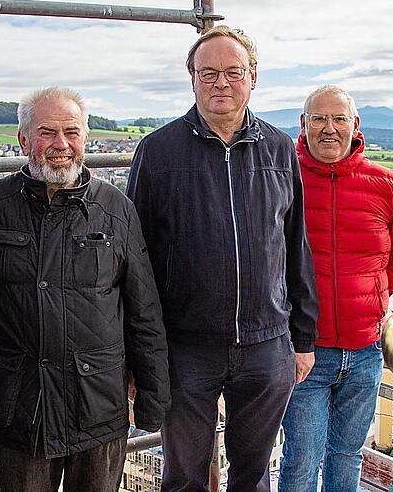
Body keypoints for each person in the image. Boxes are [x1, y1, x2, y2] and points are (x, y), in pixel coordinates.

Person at [126, 26, 319, 492]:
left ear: (253, 77)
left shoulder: (278, 150)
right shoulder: (158, 151)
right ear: (191, 78)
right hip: (186, 347)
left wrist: (304, 337)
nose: (221, 83)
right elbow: (135, 261)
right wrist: (140, 353)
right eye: (208, 73)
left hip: (266, 343)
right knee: (184, 477)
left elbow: (295, 246)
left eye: (233, 72)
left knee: (253, 477)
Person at [0, 87, 170, 492]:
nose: (61, 145)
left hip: (98, 405)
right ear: (23, 139)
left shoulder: (115, 208)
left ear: (85, 138)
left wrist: (152, 401)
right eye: (46, 132)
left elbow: (144, 309)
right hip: (22, 406)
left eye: (71, 132)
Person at [278, 86, 393, 492]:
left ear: (355, 126)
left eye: (339, 119)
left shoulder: (386, 184)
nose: (329, 129)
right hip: (304, 349)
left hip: (365, 348)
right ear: (303, 125)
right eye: (319, 119)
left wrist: (369, 301)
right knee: (301, 458)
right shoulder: (285, 180)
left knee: (348, 454)